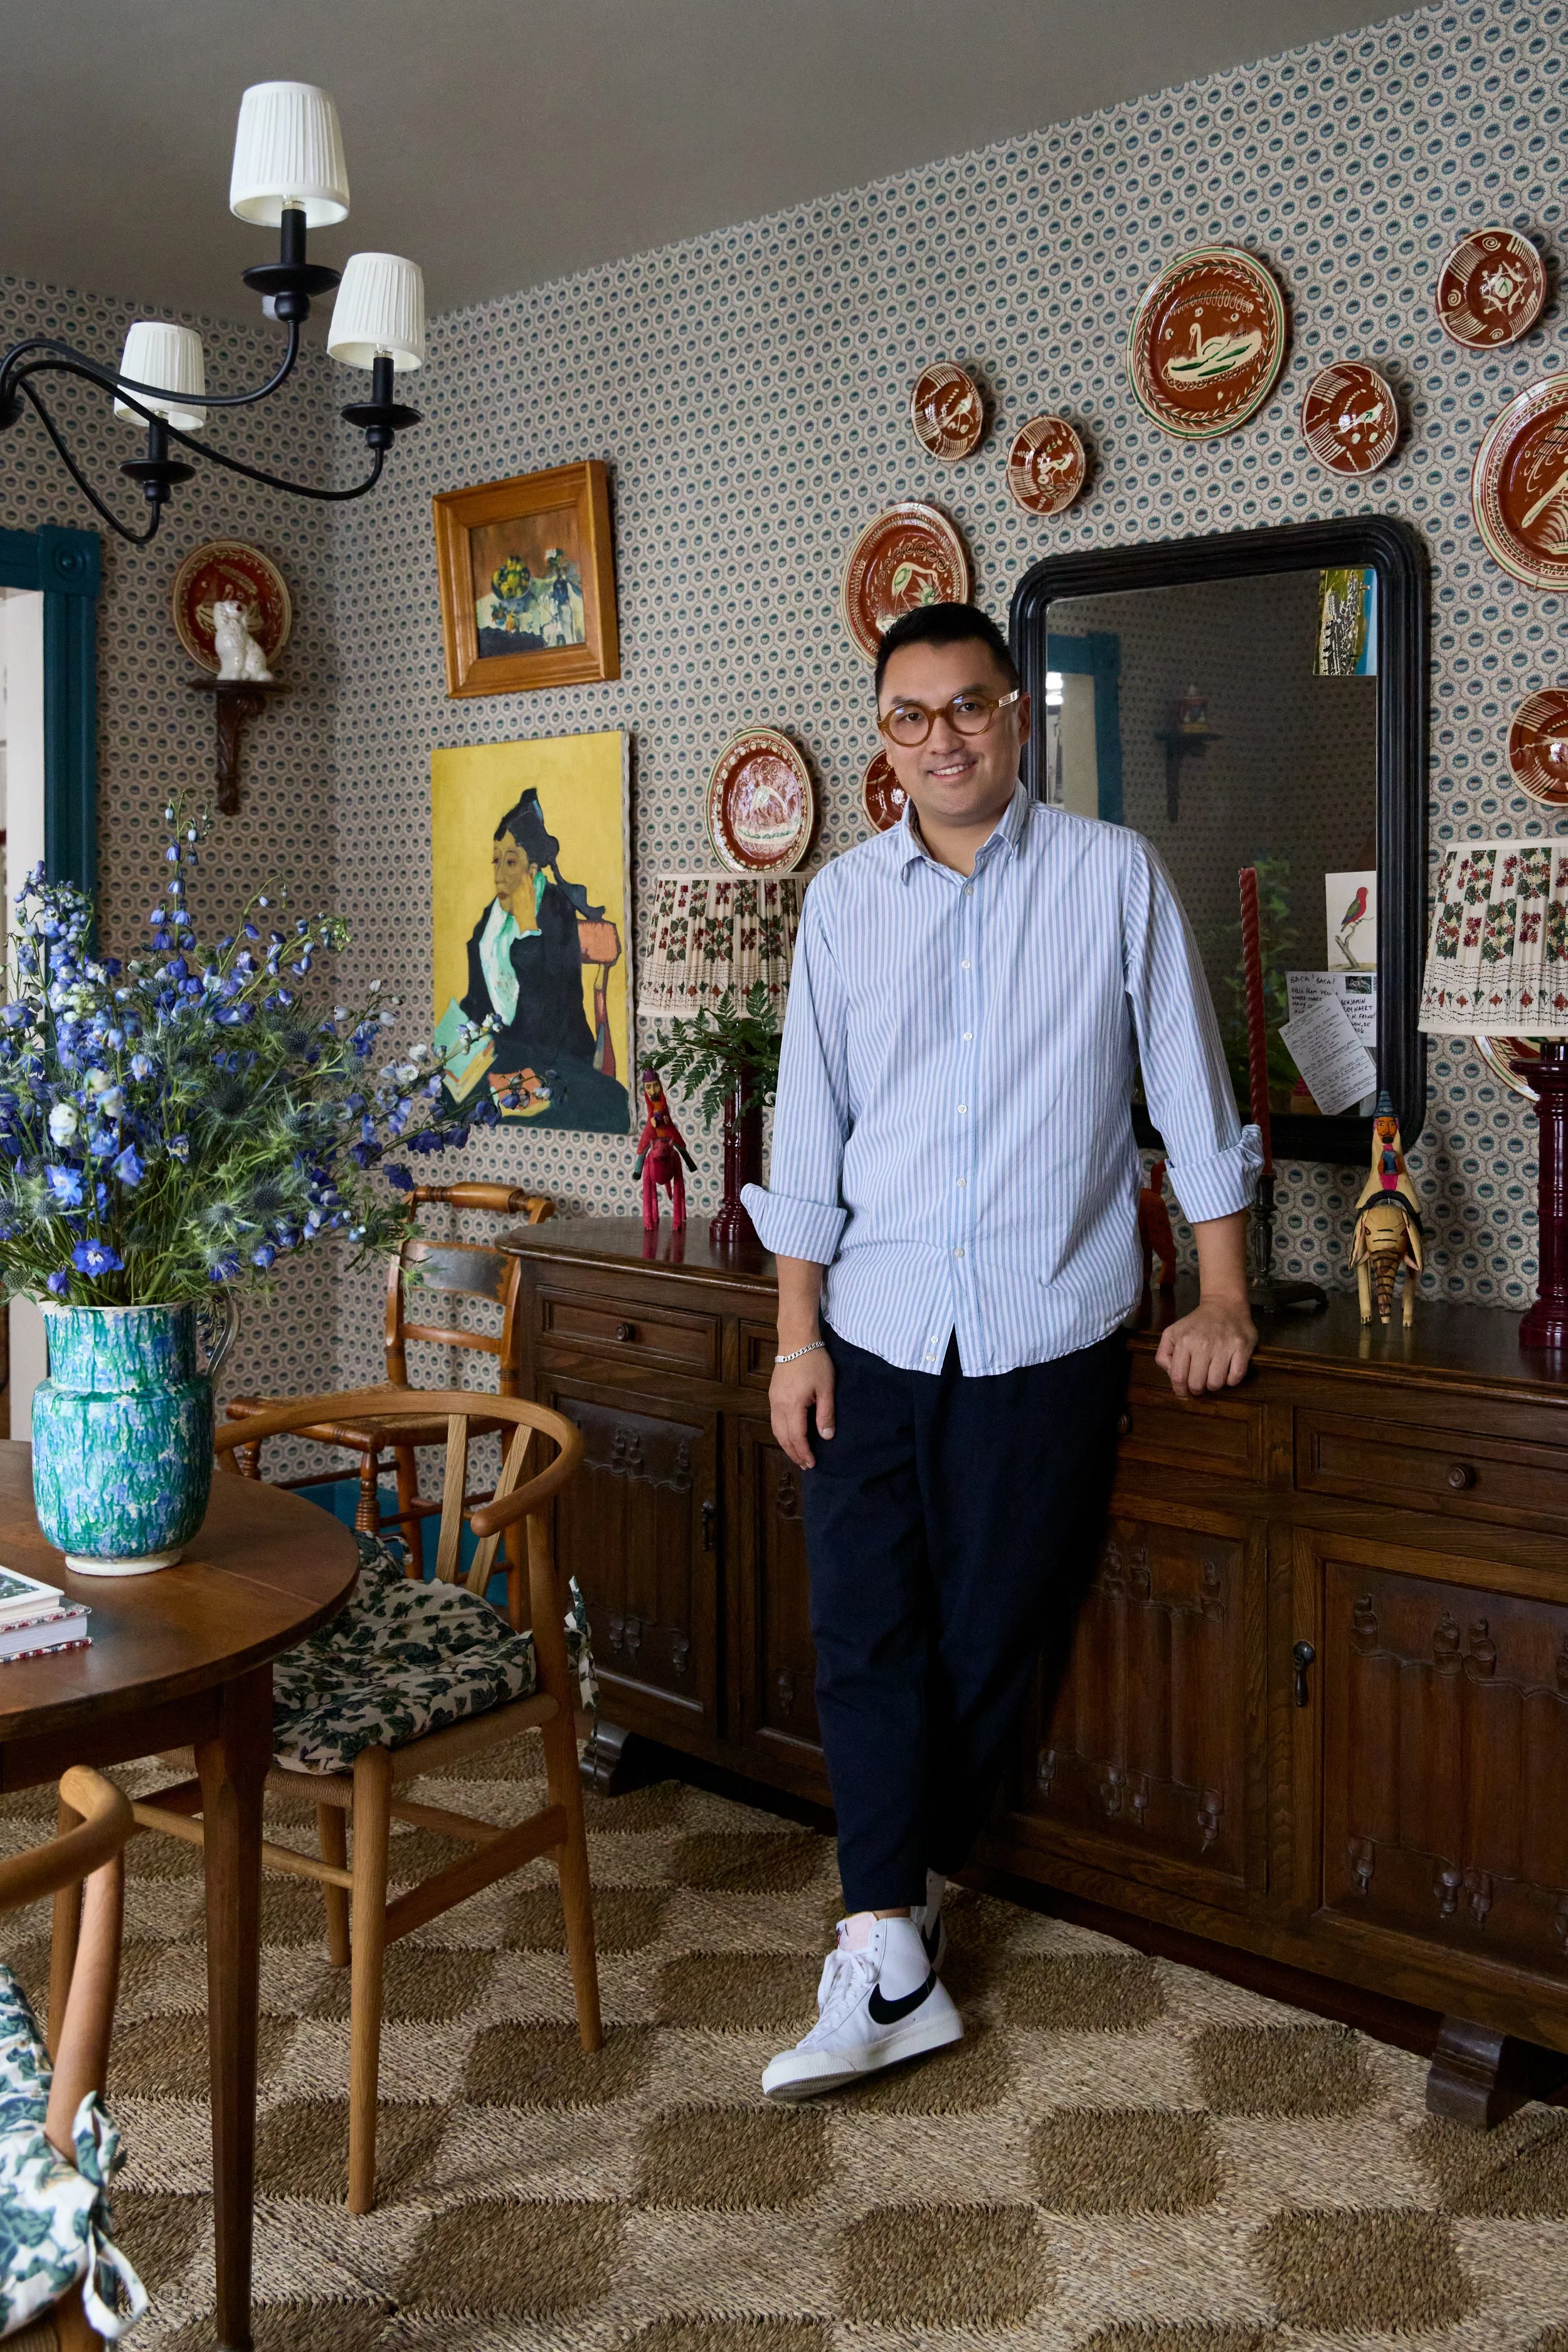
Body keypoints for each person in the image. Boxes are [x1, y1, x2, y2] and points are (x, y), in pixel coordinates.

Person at [741, 601, 1260, 2100]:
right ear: (883, 739)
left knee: (985, 1625)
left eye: (969, 707)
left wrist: (1218, 1297)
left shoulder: (1111, 879)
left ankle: (888, 1921)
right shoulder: (843, 903)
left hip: (1048, 1321)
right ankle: (882, 1945)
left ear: (1017, 715)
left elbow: (1188, 1090)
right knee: (859, 1627)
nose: (943, 738)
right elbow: (808, 1133)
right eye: (912, 716)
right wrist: (793, 1338)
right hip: (874, 1323)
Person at [462, 789, 629, 1132]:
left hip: (558, 1054)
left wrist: (528, 928)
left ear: (532, 869)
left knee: (609, 1107)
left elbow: (550, 1013)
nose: (498, 874)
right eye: (496, 861)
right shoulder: (489, 923)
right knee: (453, 1100)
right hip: (503, 1051)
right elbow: (476, 1003)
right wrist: (462, 1053)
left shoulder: (554, 910)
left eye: (510, 861)